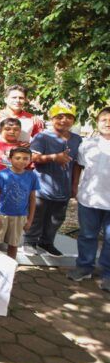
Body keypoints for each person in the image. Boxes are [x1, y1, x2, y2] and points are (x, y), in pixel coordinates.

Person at [23, 100, 82, 256]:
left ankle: (47, 242)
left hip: (64, 187)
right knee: (37, 215)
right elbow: (32, 157)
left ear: (74, 120)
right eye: (59, 116)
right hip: (41, 186)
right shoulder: (42, 137)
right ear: (52, 118)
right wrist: (54, 157)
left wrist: (74, 184)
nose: (64, 120)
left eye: (69, 117)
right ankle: (29, 241)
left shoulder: (77, 140)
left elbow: (77, 164)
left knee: (57, 218)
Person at [70, 107, 110, 290]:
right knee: (87, 235)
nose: (107, 123)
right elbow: (78, 166)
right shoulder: (88, 144)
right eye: (104, 119)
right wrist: (75, 186)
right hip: (89, 198)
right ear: (97, 121)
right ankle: (84, 267)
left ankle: (107, 273)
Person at [0, 147, 39, 258]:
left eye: (25, 158)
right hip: (2, 215)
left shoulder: (32, 176)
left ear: (30, 160)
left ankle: (11, 268)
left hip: (20, 216)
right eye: (17, 158)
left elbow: (32, 199)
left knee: (14, 244)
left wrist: (30, 220)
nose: (21, 161)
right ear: (10, 159)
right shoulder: (2, 174)